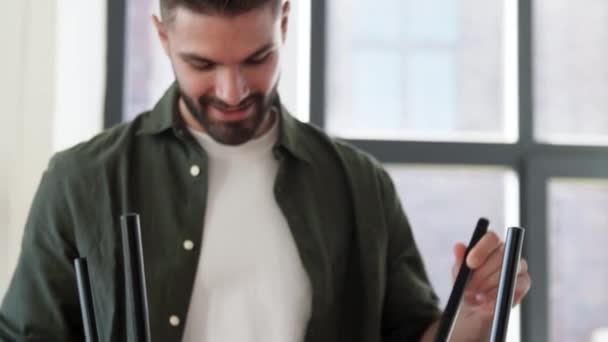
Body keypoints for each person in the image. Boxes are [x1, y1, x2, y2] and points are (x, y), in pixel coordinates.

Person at [0, 0, 531, 341]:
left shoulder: (360, 186)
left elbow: (420, 336)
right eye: (202, 65)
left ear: (284, 20)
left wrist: (478, 313)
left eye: (257, 59)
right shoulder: (81, 181)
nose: (232, 92)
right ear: (163, 38)